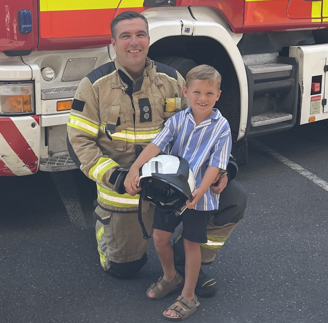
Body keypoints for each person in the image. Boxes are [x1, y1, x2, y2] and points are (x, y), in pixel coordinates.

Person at [66, 11, 247, 299]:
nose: (133, 42)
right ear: (113, 43)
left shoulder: (173, 79)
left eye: (140, 34)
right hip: (125, 189)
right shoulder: (94, 86)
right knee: (123, 269)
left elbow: (205, 123)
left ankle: (186, 261)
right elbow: (79, 142)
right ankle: (104, 228)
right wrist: (116, 176)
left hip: (175, 184)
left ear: (149, 39)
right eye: (125, 36)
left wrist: (224, 168)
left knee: (233, 199)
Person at [123, 64, 230, 320]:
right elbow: (156, 145)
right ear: (185, 92)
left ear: (218, 95)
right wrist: (135, 168)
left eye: (209, 93)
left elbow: (217, 164)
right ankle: (171, 277)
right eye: (196, 92)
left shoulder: (222, 127)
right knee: (160, 238)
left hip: (198, 197)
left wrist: (201, 191)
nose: (202, 98)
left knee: (191, 244)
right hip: (171, 191)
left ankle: (189, 295)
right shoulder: (177, 120)